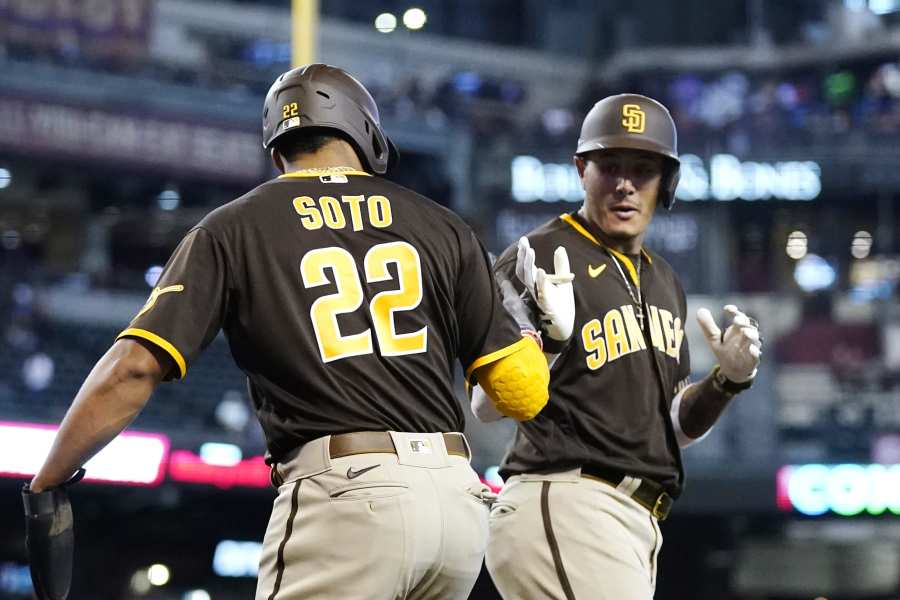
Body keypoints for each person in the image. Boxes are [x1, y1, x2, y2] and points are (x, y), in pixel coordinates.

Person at [24, 64, 556, 600]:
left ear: (277, 149)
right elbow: (524, 393)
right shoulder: (443, 226)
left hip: (346, 497)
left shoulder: (235, 226)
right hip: (456, 506)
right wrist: (529, 331)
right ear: (367, 136)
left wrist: (49, 477)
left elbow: (134, 368)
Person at [473, 93, 763, 599]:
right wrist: (549, 344)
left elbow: (671, 427)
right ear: (581, 169)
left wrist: (726, 384)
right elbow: (485, 406)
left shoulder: (664, 280)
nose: (625, 184)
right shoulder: (539, 255)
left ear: (665, 182)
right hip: (565, 500)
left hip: (634, 520)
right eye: (610, 166)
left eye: (643, 169)